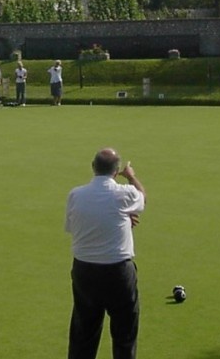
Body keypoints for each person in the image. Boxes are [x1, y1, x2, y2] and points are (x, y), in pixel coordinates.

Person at [65, 148, 146, 359]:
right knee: (124, 335)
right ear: (116, 171)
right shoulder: (124, 193)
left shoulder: (76, 194)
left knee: (83, 334)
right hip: (118, 272)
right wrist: (131, 176)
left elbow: (76, 227)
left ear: (93, 167)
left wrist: (117, 219)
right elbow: (142, 199)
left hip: (84, 272)